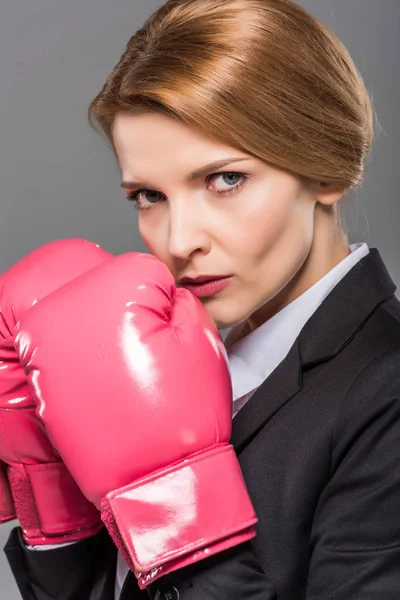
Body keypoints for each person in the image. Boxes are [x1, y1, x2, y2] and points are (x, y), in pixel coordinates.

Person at [1, 0, 400, 599]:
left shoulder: (386, 391)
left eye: (225, 179)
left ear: (326, 168)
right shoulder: (174, 360)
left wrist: (175, 510)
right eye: (148, 195)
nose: (180, 241)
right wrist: (60, 498)